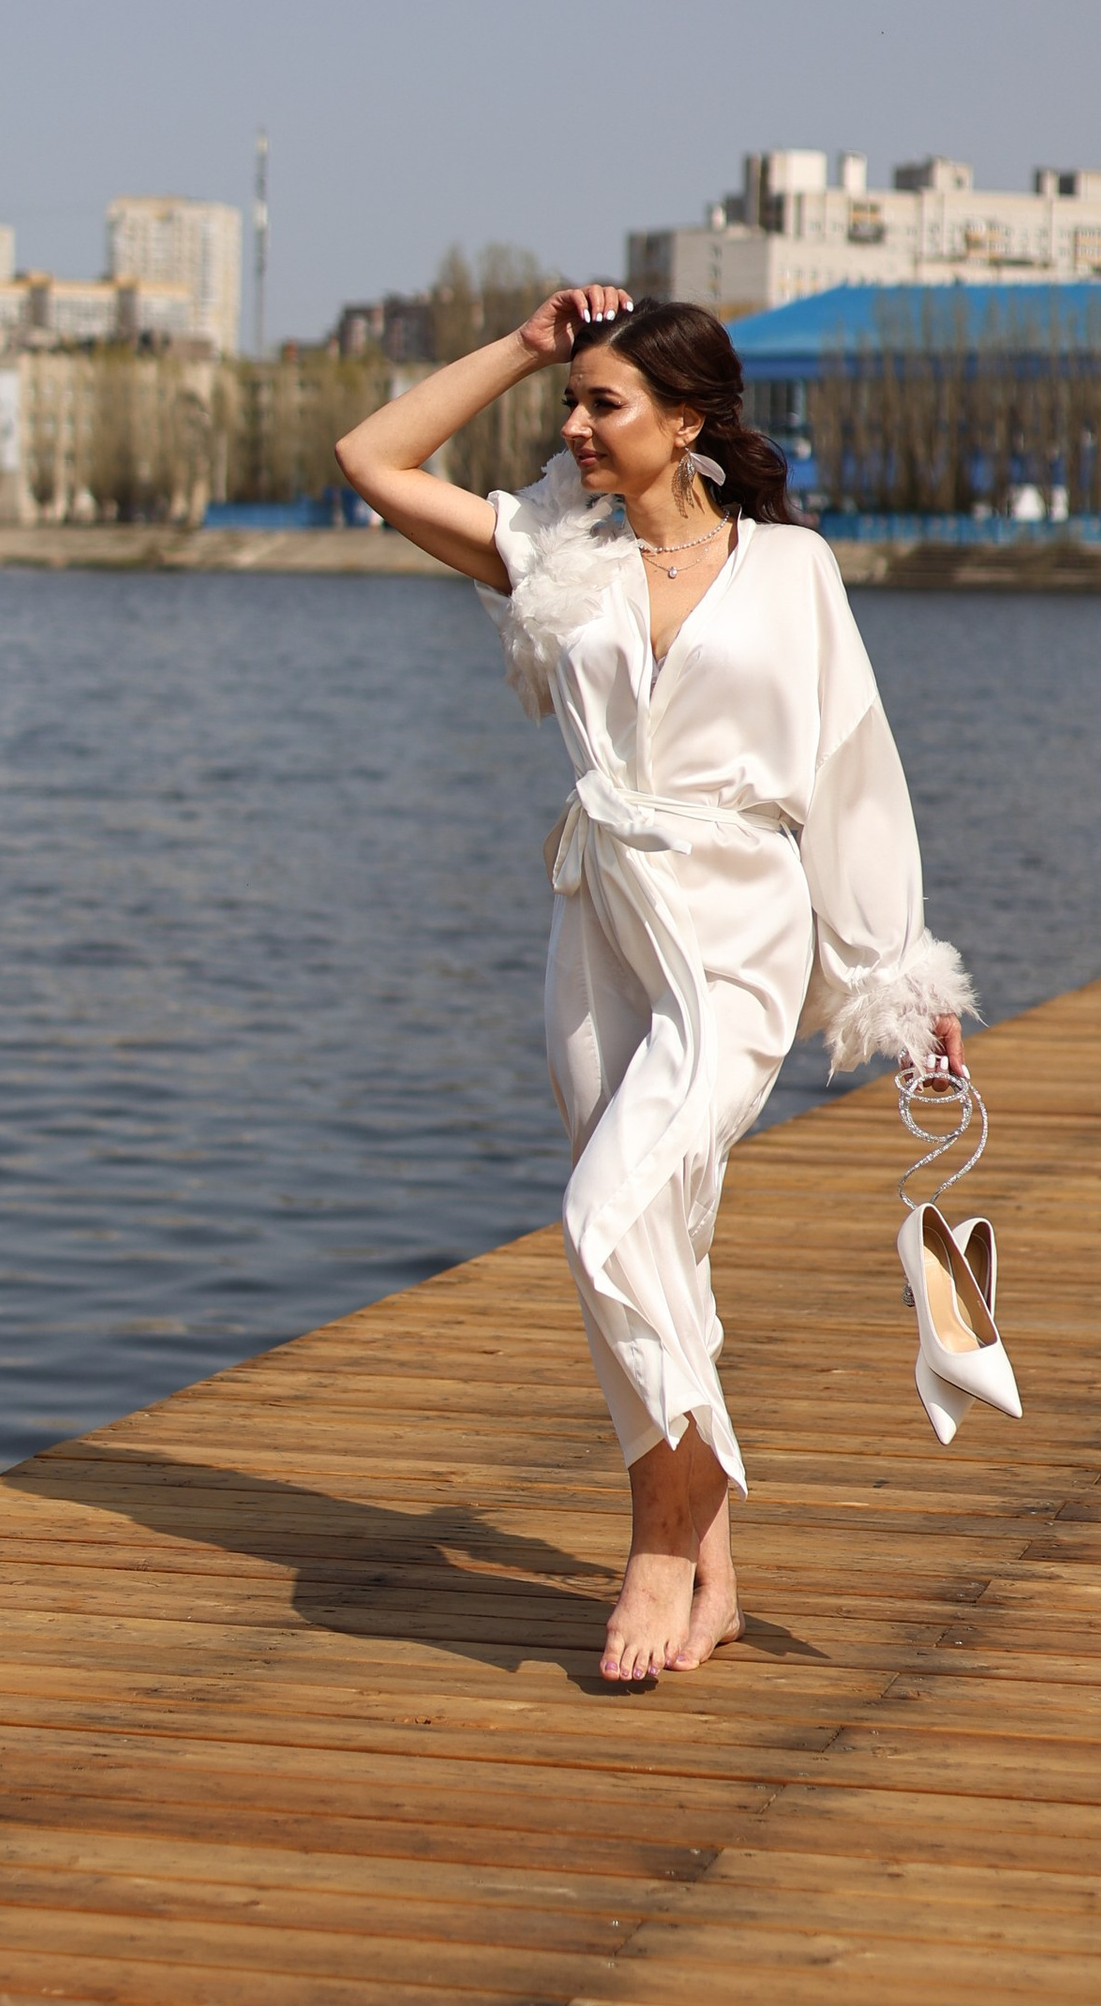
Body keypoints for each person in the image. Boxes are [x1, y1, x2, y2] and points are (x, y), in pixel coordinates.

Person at [337, 287, 972, 1684]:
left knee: (602, 1215)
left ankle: (660, 1546)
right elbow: (371, 461)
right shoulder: (557, 564)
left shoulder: (793, 573)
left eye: (600, 404)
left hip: (740, 934)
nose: (571, 428)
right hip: (598, 925)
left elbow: (854, 774)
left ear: (686, 422)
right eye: (569, 405)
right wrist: (525, 344)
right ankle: (719, 1576)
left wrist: (889, 974)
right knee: (655, 1252)